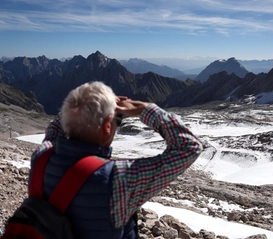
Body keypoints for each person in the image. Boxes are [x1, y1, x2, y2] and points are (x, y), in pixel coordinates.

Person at [29, 81, 203, 239]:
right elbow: (189, 147)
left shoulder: (41, 156)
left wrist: (80, 107)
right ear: (107, 127)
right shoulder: (119, 177)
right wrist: (146, 108)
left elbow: (53, 130)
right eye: (117, 119)